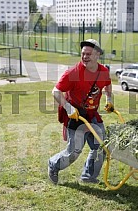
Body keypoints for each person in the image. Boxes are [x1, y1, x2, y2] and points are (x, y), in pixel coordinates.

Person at [48, 39, 113, 184]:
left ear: (97, 55)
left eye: (88, 54)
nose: (85, 57)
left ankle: (88, 176)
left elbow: (108, 86)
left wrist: (109, 101)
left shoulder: (103, 71)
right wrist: (68, 108)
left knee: (101, 147)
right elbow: (56, 91)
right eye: (83, 54)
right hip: (76, 115)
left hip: (92, 116)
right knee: (73, 152)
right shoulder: (73, 72)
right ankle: (54, 164)